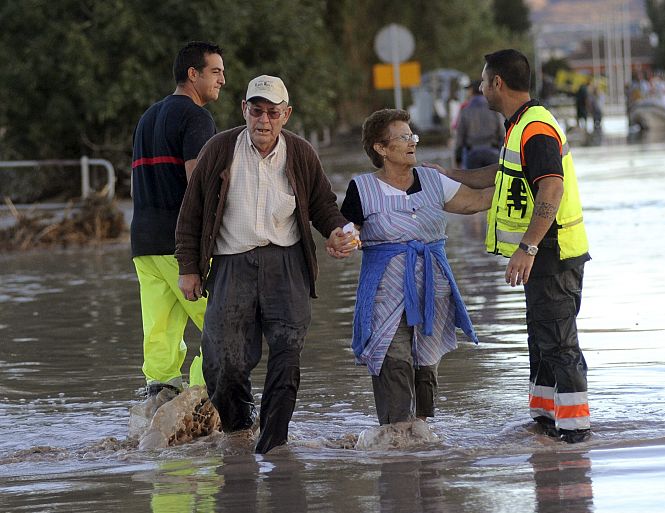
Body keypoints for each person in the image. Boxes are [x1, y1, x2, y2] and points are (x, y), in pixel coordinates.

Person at [174, 74, 356, 453]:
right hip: (230, 265)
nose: (264, 120)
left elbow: (323, 205)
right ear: (244, 110)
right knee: (223, 364)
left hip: (287, 266)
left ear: (286, 115)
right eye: (256, 111)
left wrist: (338, 231)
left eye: (273, 113)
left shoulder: (301, 153)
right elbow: (191, 212)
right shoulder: (219, 149)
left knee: (287, 357)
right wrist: (188, 267)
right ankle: (240, 429)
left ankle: (273, 445)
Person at [426, 49, 591, 443]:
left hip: (553, 254)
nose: (481, 89)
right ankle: (546, 425)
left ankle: (574, 436)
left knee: (559, 342)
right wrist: (448, 174)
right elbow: (500, 176)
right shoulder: (520, 126)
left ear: (497, 83)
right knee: (542, 338)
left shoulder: (535, 128)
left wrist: (528, 247)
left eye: (483, 81)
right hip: (545, 256)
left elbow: (551, 186)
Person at [341, 109, 493, 426]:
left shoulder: (433, 180)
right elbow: (348, 233)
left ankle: (423, 449)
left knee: (426, 370)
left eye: (413, 136)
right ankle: (395, 440)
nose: (412, 143)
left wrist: (532, 178)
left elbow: (477, 201)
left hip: (432, 293)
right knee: (393, 362)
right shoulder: (362, 189)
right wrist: (344, 242)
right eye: (403, 137)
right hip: (385, 297)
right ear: (381, 148)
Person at [130, 41, 225, 398]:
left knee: (160, 329)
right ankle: (202, 396)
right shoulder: (195, 117)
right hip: (181, 245)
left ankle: (160, 397)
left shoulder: (147, 118)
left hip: (144, 244)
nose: (222, 80)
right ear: (193, 74)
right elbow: (199, 185)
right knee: (219, 321)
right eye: (215, 71)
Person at [454, 80, 505, 169]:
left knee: (473, 181)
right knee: (493, 181)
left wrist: (458, 156)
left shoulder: (466, 110)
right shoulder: (494, 108)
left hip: (472, 154)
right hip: (492, 151)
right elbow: (501, 130)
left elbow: (460, 135)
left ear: (472, 91)